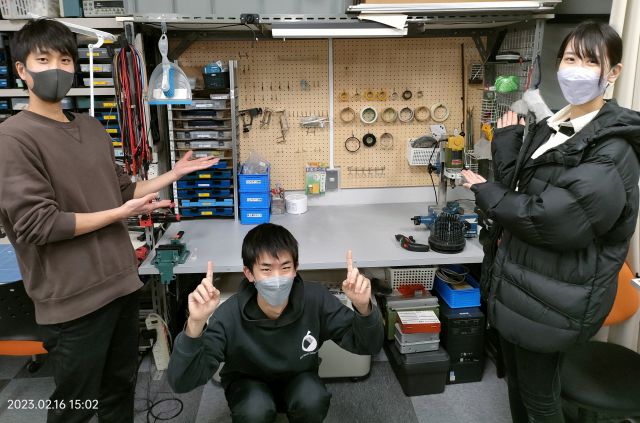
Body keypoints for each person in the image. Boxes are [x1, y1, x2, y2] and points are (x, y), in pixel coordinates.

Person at [0, 19, 219, 422]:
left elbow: (122, 190)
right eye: (43, 60)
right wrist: (120, 214)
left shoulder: (91, 127)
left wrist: (172, 175)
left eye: (65, 60)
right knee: (75, 406)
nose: (56, 69)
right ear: (21, 70)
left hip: (120, 285)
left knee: (119, 391)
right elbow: (39, 225)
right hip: (73, 300)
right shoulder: (13, 138)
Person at [461, 21, 640, 423]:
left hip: (554, 297)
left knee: (540, 400)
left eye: (591, 61)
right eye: (571, 59)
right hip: (520, 283)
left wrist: (487, 193)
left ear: (613, 72)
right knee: (517, 385)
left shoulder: (612, 150)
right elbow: (526, 189)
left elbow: (551, 220)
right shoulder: (555, 128)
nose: (576, 70)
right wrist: (506, 145)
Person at [167, 223, 384, 423]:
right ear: (249, 273)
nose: (277, 278)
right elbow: (182, 381)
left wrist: (363, 308)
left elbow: (369, 345)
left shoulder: (316, 299)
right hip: (248, 383)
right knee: (255, 409)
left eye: (285, 267)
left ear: (296, 268)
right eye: (266, 269)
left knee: (312, 399)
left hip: (299, 377)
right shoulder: (228, 314)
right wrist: (195, 323)